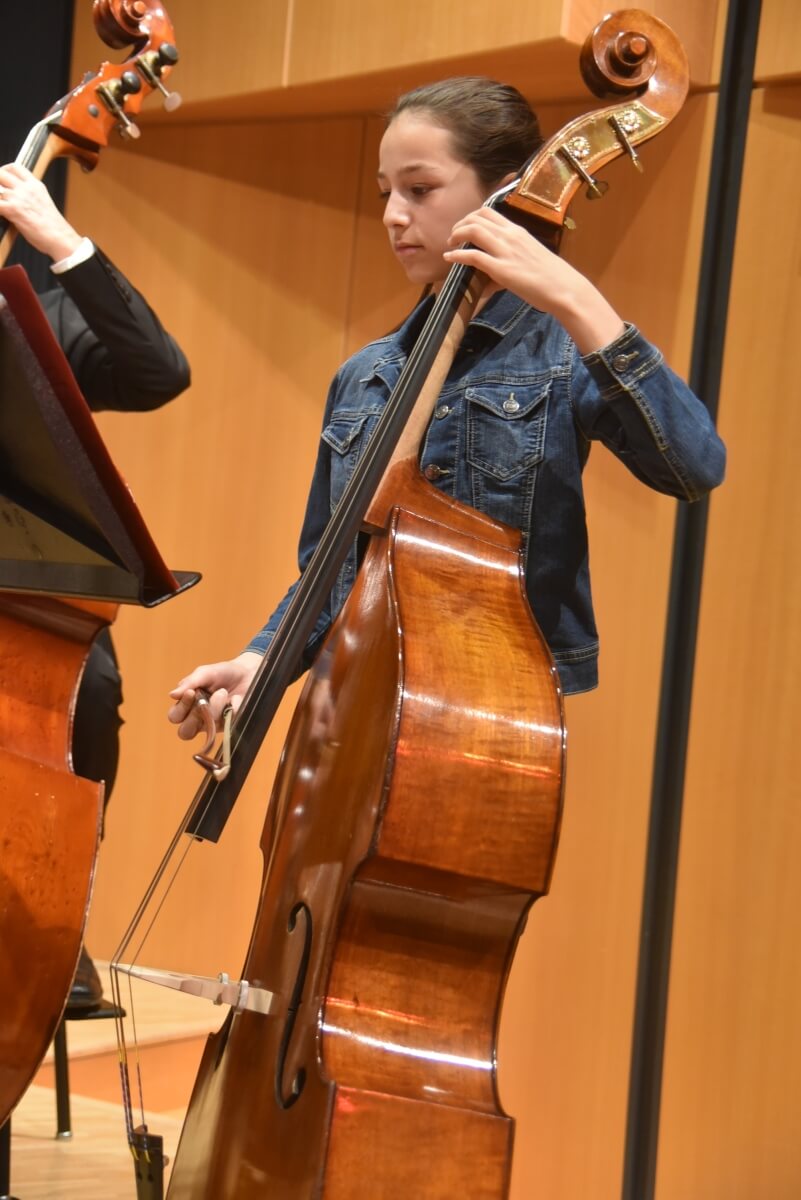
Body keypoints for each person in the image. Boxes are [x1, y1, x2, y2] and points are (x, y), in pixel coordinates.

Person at [166, 76, 725, 741]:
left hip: (494, 712)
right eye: (386, 192)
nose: (392, 214)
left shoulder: (560, 352)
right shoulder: (364, 375)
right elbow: (332, 571)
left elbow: (693, 466)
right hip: (354, 708)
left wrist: (580, 302)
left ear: (504, 194)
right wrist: (260, 660)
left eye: (420, 189)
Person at [0, 161, 191, 1006]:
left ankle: (53, 919)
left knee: (92, 683)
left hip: (23, 581)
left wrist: (61, 242)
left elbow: (157, 372)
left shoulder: (32, 316)